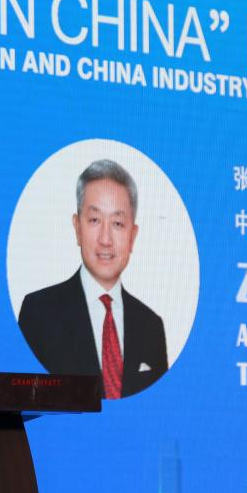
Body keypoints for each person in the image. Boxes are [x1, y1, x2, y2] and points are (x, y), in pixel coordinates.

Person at [18, 159, 168, 398]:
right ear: (77, 227)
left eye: (117, 223)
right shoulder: (38, 313)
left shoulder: (151, 326)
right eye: (95, 220)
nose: (105, 239)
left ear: (132, 235)